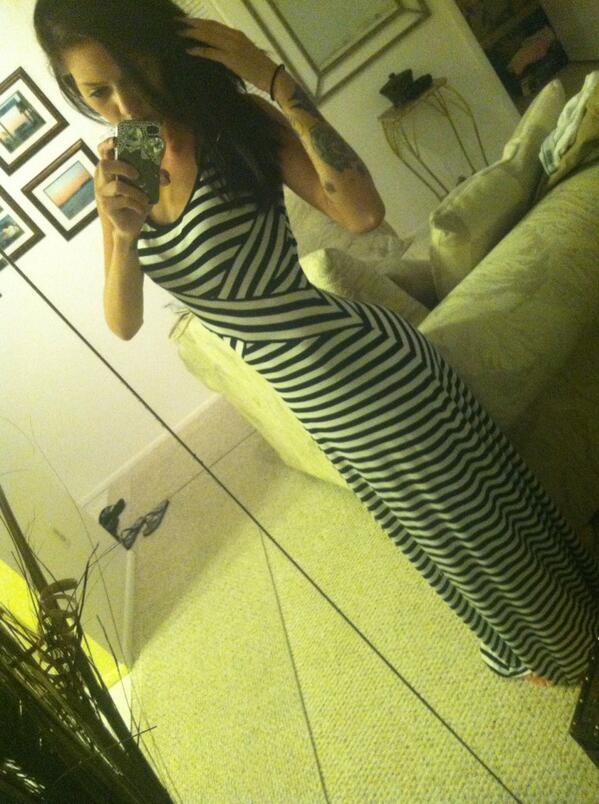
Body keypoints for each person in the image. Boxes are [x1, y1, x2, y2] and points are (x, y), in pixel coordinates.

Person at [34, 0, 599, 687]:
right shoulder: (123, 171)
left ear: (159, 47)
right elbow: (122, 322)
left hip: (368, 367)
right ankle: (534, 640)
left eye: (132, 73)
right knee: (433, 532)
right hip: (311, 400)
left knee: (478, 518)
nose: (124, 105)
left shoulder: (234, 124)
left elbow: (361, 213)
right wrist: (122, 235)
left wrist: (274, 81)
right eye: (98, 91)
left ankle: (568, 645)